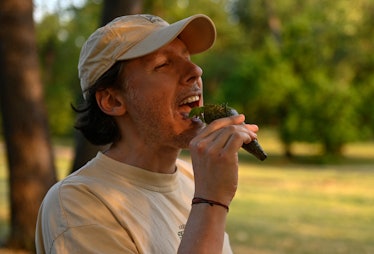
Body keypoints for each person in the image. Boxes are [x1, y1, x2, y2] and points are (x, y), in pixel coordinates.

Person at [35, 13, 259, 254]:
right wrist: (211, 202)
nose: (196, 70)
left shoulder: (192, 176)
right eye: (163, 64)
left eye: (187, 57)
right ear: (112, 100)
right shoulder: (76, 205)